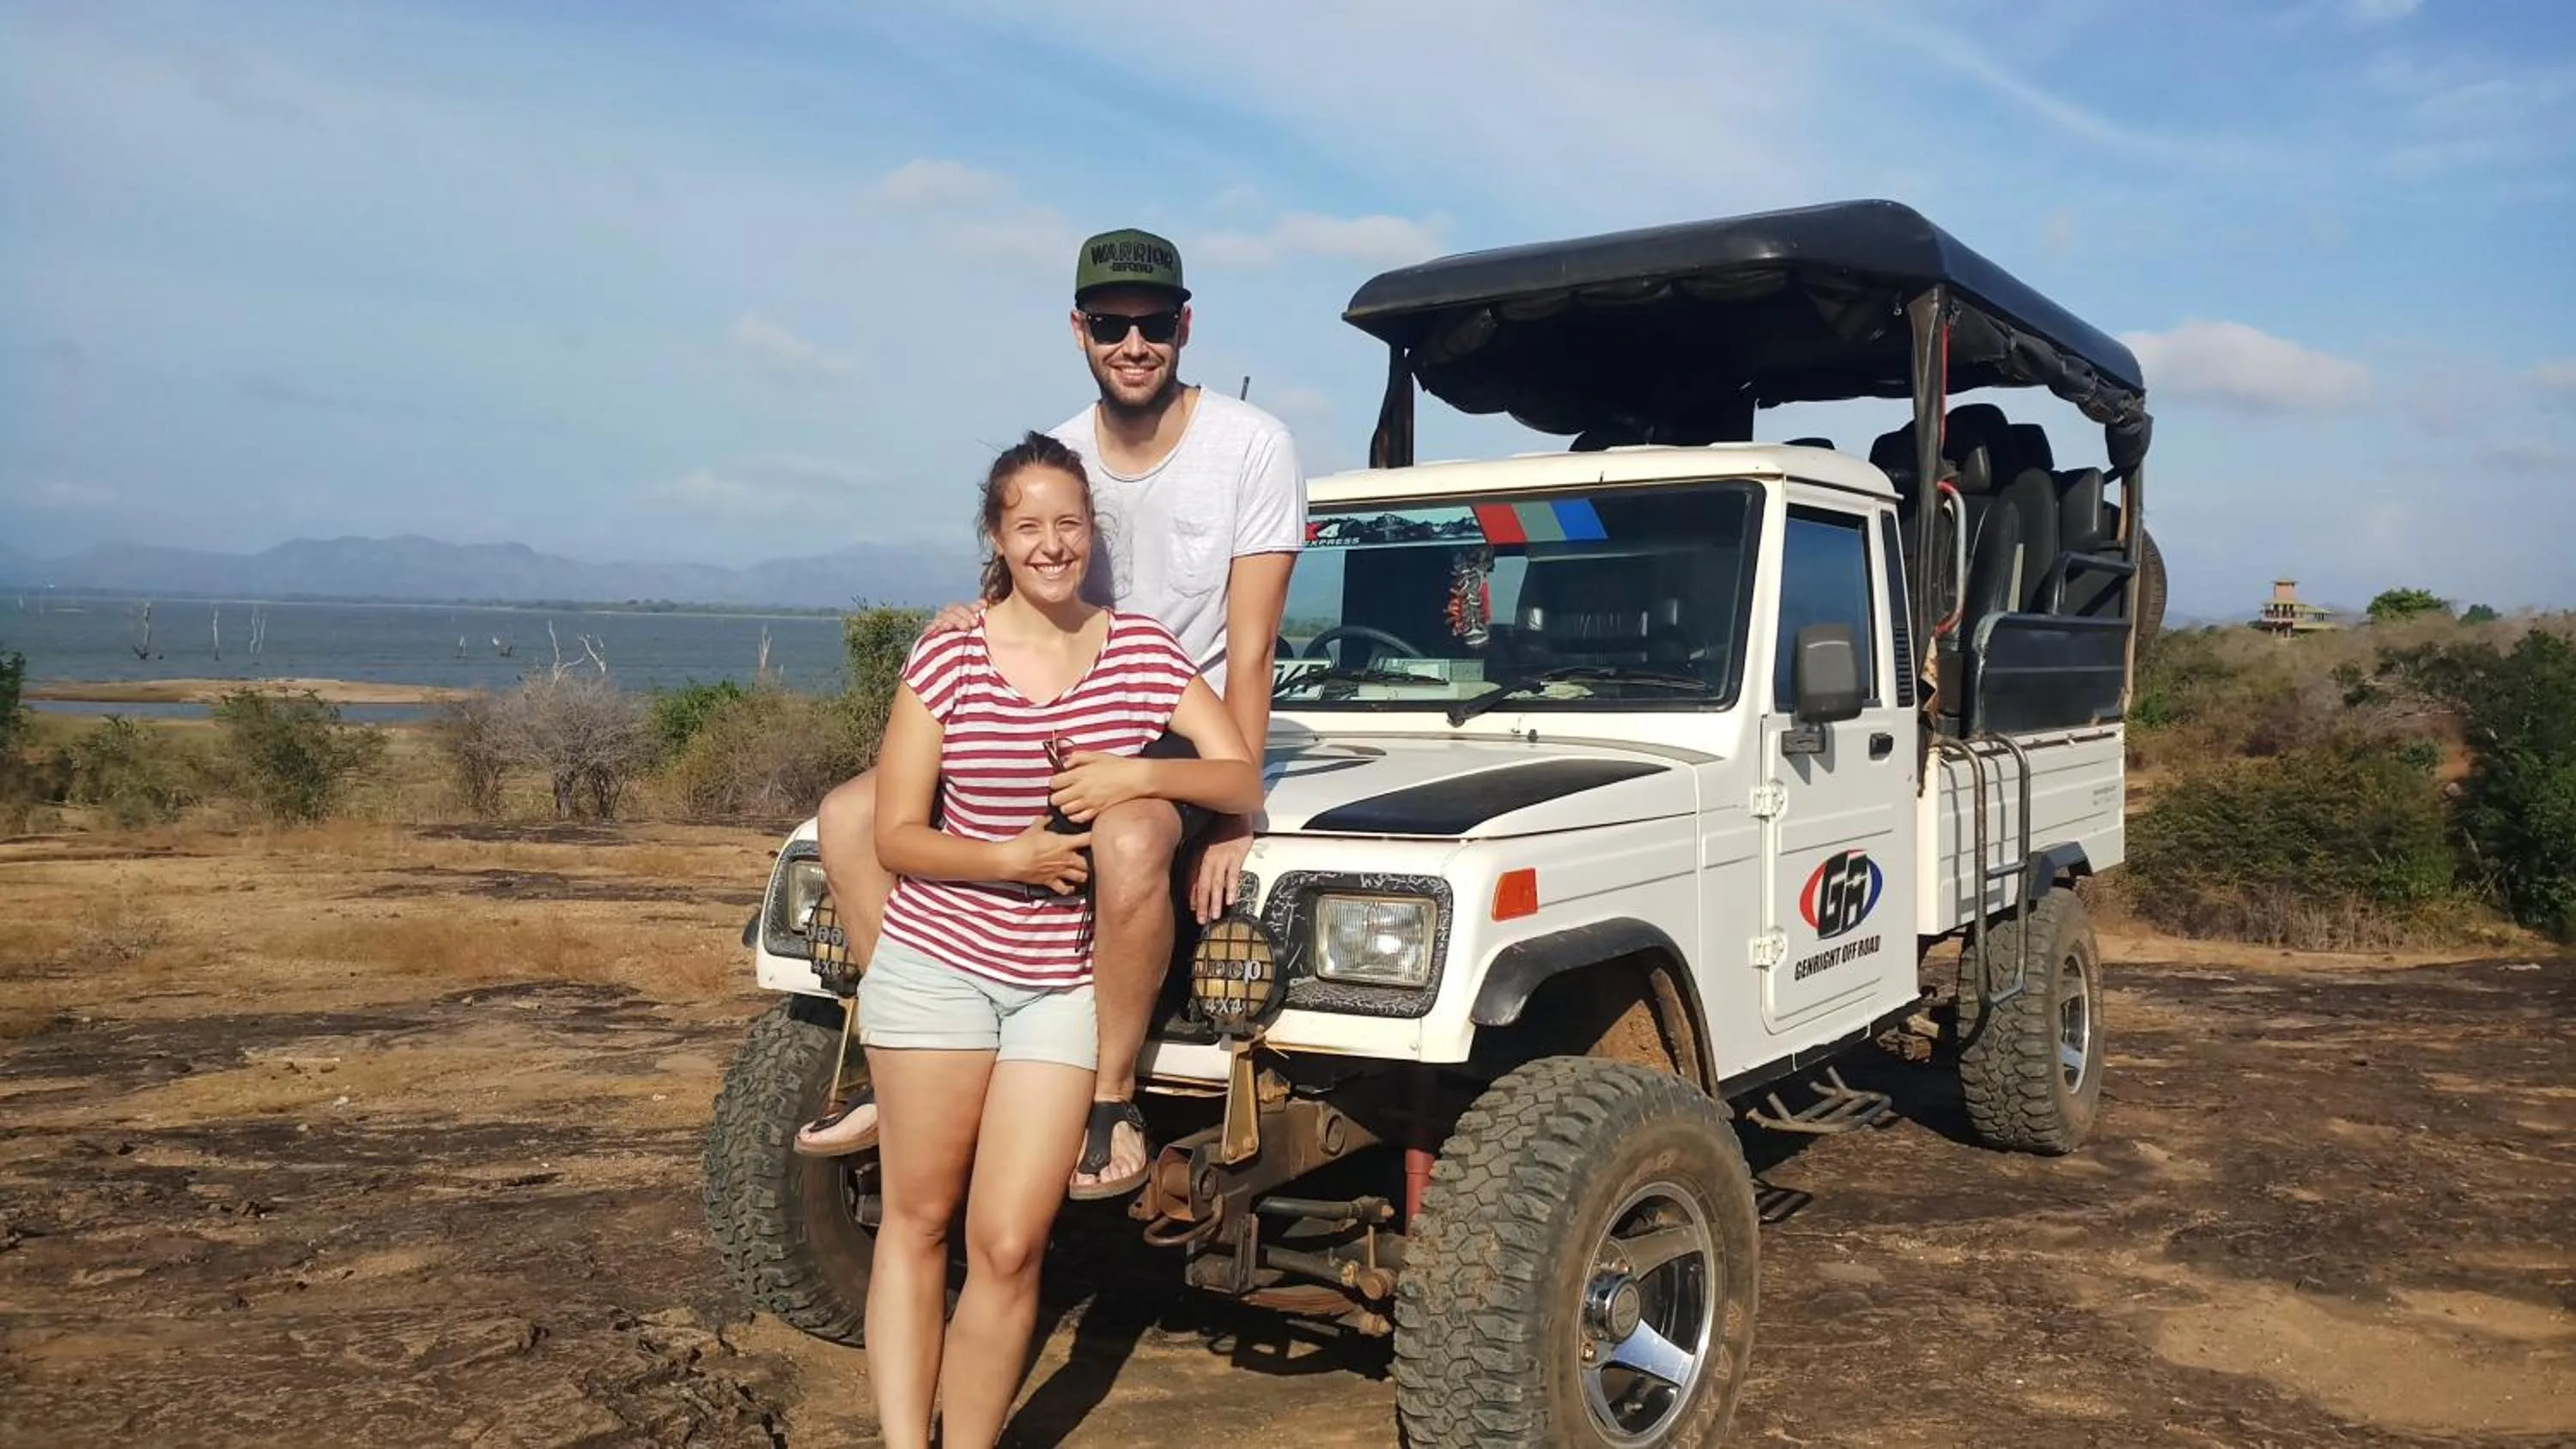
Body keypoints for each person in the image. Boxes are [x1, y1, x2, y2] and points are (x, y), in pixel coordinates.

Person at [802, 227, 1304, 1197]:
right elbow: (1022, 583)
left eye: (1153, 323)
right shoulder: (1061, 451)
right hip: (1051, 704)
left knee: (1125, 841)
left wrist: (1234, 816)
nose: (1133, 342)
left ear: (1184, 326)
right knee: (847, 817)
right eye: (1111, 323)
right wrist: (966, 614)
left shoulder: (1253, 447)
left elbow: (1251, 646)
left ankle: (1111, 1098)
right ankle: (900, 1045)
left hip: (1167, 721)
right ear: (1079, 329)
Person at [860, 431, 1262, 1449]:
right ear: (997, 535)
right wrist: (1013, 860)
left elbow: (1238, 776)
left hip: (1056, 990)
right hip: (939, 965)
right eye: (1029, 524)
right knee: (917, 1223)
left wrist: (1138, 775)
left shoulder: (1136, 650)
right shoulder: (949, 649)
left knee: (1008, 1241)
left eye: (1069, 524)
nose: (1052, 544)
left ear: (1092, 534)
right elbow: (897, 834)